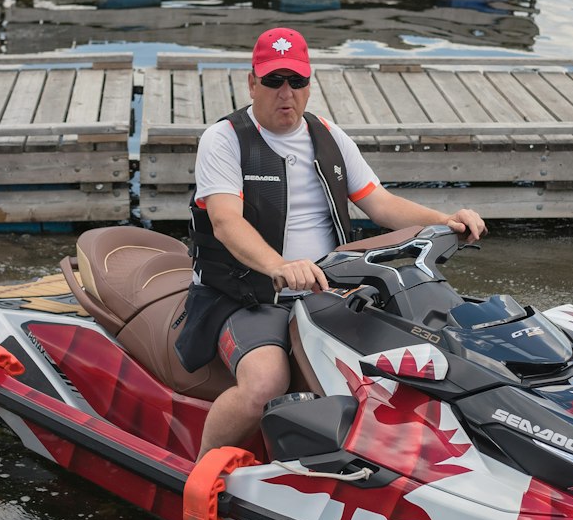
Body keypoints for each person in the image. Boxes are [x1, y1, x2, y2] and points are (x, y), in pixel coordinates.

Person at [175, 27, 485, 458]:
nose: (287, 93)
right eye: (274, 81)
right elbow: (226, 222)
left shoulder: (328, 136)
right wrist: (278, 266)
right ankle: (201, 470)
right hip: (246, 294)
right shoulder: (224, 139)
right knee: (264, 384)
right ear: (252, 82)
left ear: (309, 84)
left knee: (422, 346)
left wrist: (445, 220)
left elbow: (379, 203)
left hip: (326, 289)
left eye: (297, 81)